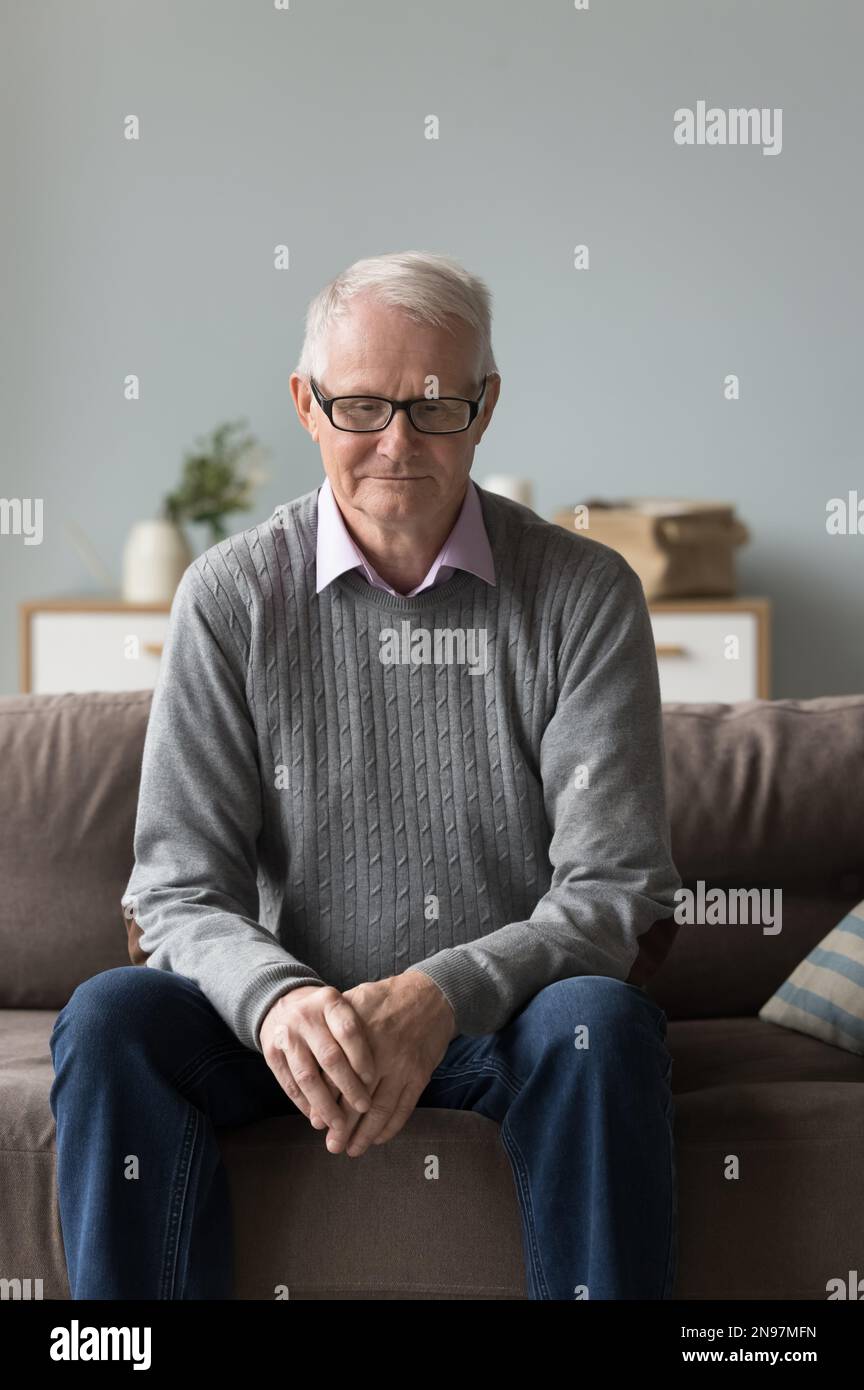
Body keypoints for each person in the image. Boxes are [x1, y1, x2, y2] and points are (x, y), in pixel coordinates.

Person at [49, 249, 682, 1300]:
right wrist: (279, 1000)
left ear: (485, 409)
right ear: (306, 404)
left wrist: (440, 992)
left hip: (498, 1027)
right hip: (286, 1034)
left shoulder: (586, 595)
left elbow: (613, 889)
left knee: (604, 1025)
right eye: (361, 407)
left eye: (435, 408)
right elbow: (175, 888)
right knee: (112, 1014)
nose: (397, 443)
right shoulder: (229, 597)